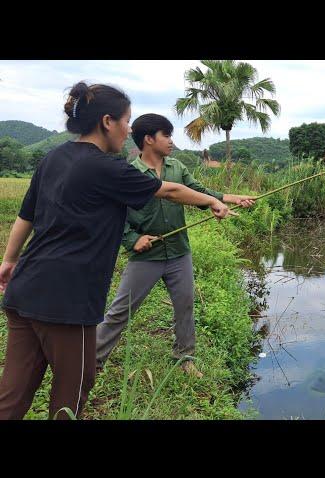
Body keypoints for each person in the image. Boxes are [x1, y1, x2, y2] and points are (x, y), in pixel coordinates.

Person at [0, 82, 236, 420]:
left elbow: (25, 216)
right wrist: (213, 201)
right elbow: (168, 191)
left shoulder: (54, 157)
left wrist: (9, 261)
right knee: (73, 390)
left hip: (24, 291)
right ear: (107, 121)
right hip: (67, 300)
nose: (129, 131)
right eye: (126, 121)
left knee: (13, 395)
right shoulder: (107, 167)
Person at [96, 113, 255, 377]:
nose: (171, 141)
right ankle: (94, 360)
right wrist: (133, 239)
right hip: (147, 256)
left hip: (179, 252)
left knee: (185, 305)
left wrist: (229, 198)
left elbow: (198, 191)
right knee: (120, 311)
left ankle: (185, 357)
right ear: (148, 139)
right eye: (166, 135)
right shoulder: (129, 173)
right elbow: (114, 216)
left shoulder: (177, 168)